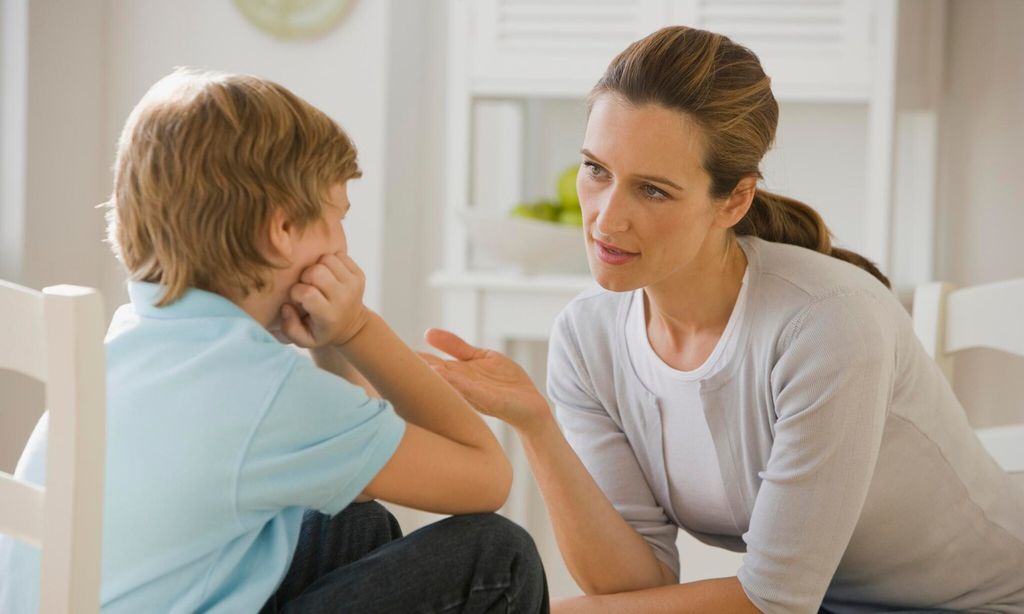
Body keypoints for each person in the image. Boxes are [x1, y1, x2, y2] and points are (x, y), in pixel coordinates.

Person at [422, 26, 1024, 613]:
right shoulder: (587, 337)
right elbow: (634, 584)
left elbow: (773, 602)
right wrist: (537, 427)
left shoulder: (827, 324)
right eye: (596, 170)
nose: (606, 219)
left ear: (734, 200)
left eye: (652, 190)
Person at [0, 68, 548, 613]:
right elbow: (486, 478)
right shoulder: (263, 390)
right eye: (337, 218)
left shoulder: (136, 339)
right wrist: (357, 330)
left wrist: (324, 344)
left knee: (353, 516)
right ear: (282, 231)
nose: (341, 245)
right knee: (501, 556)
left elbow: (355, 474)